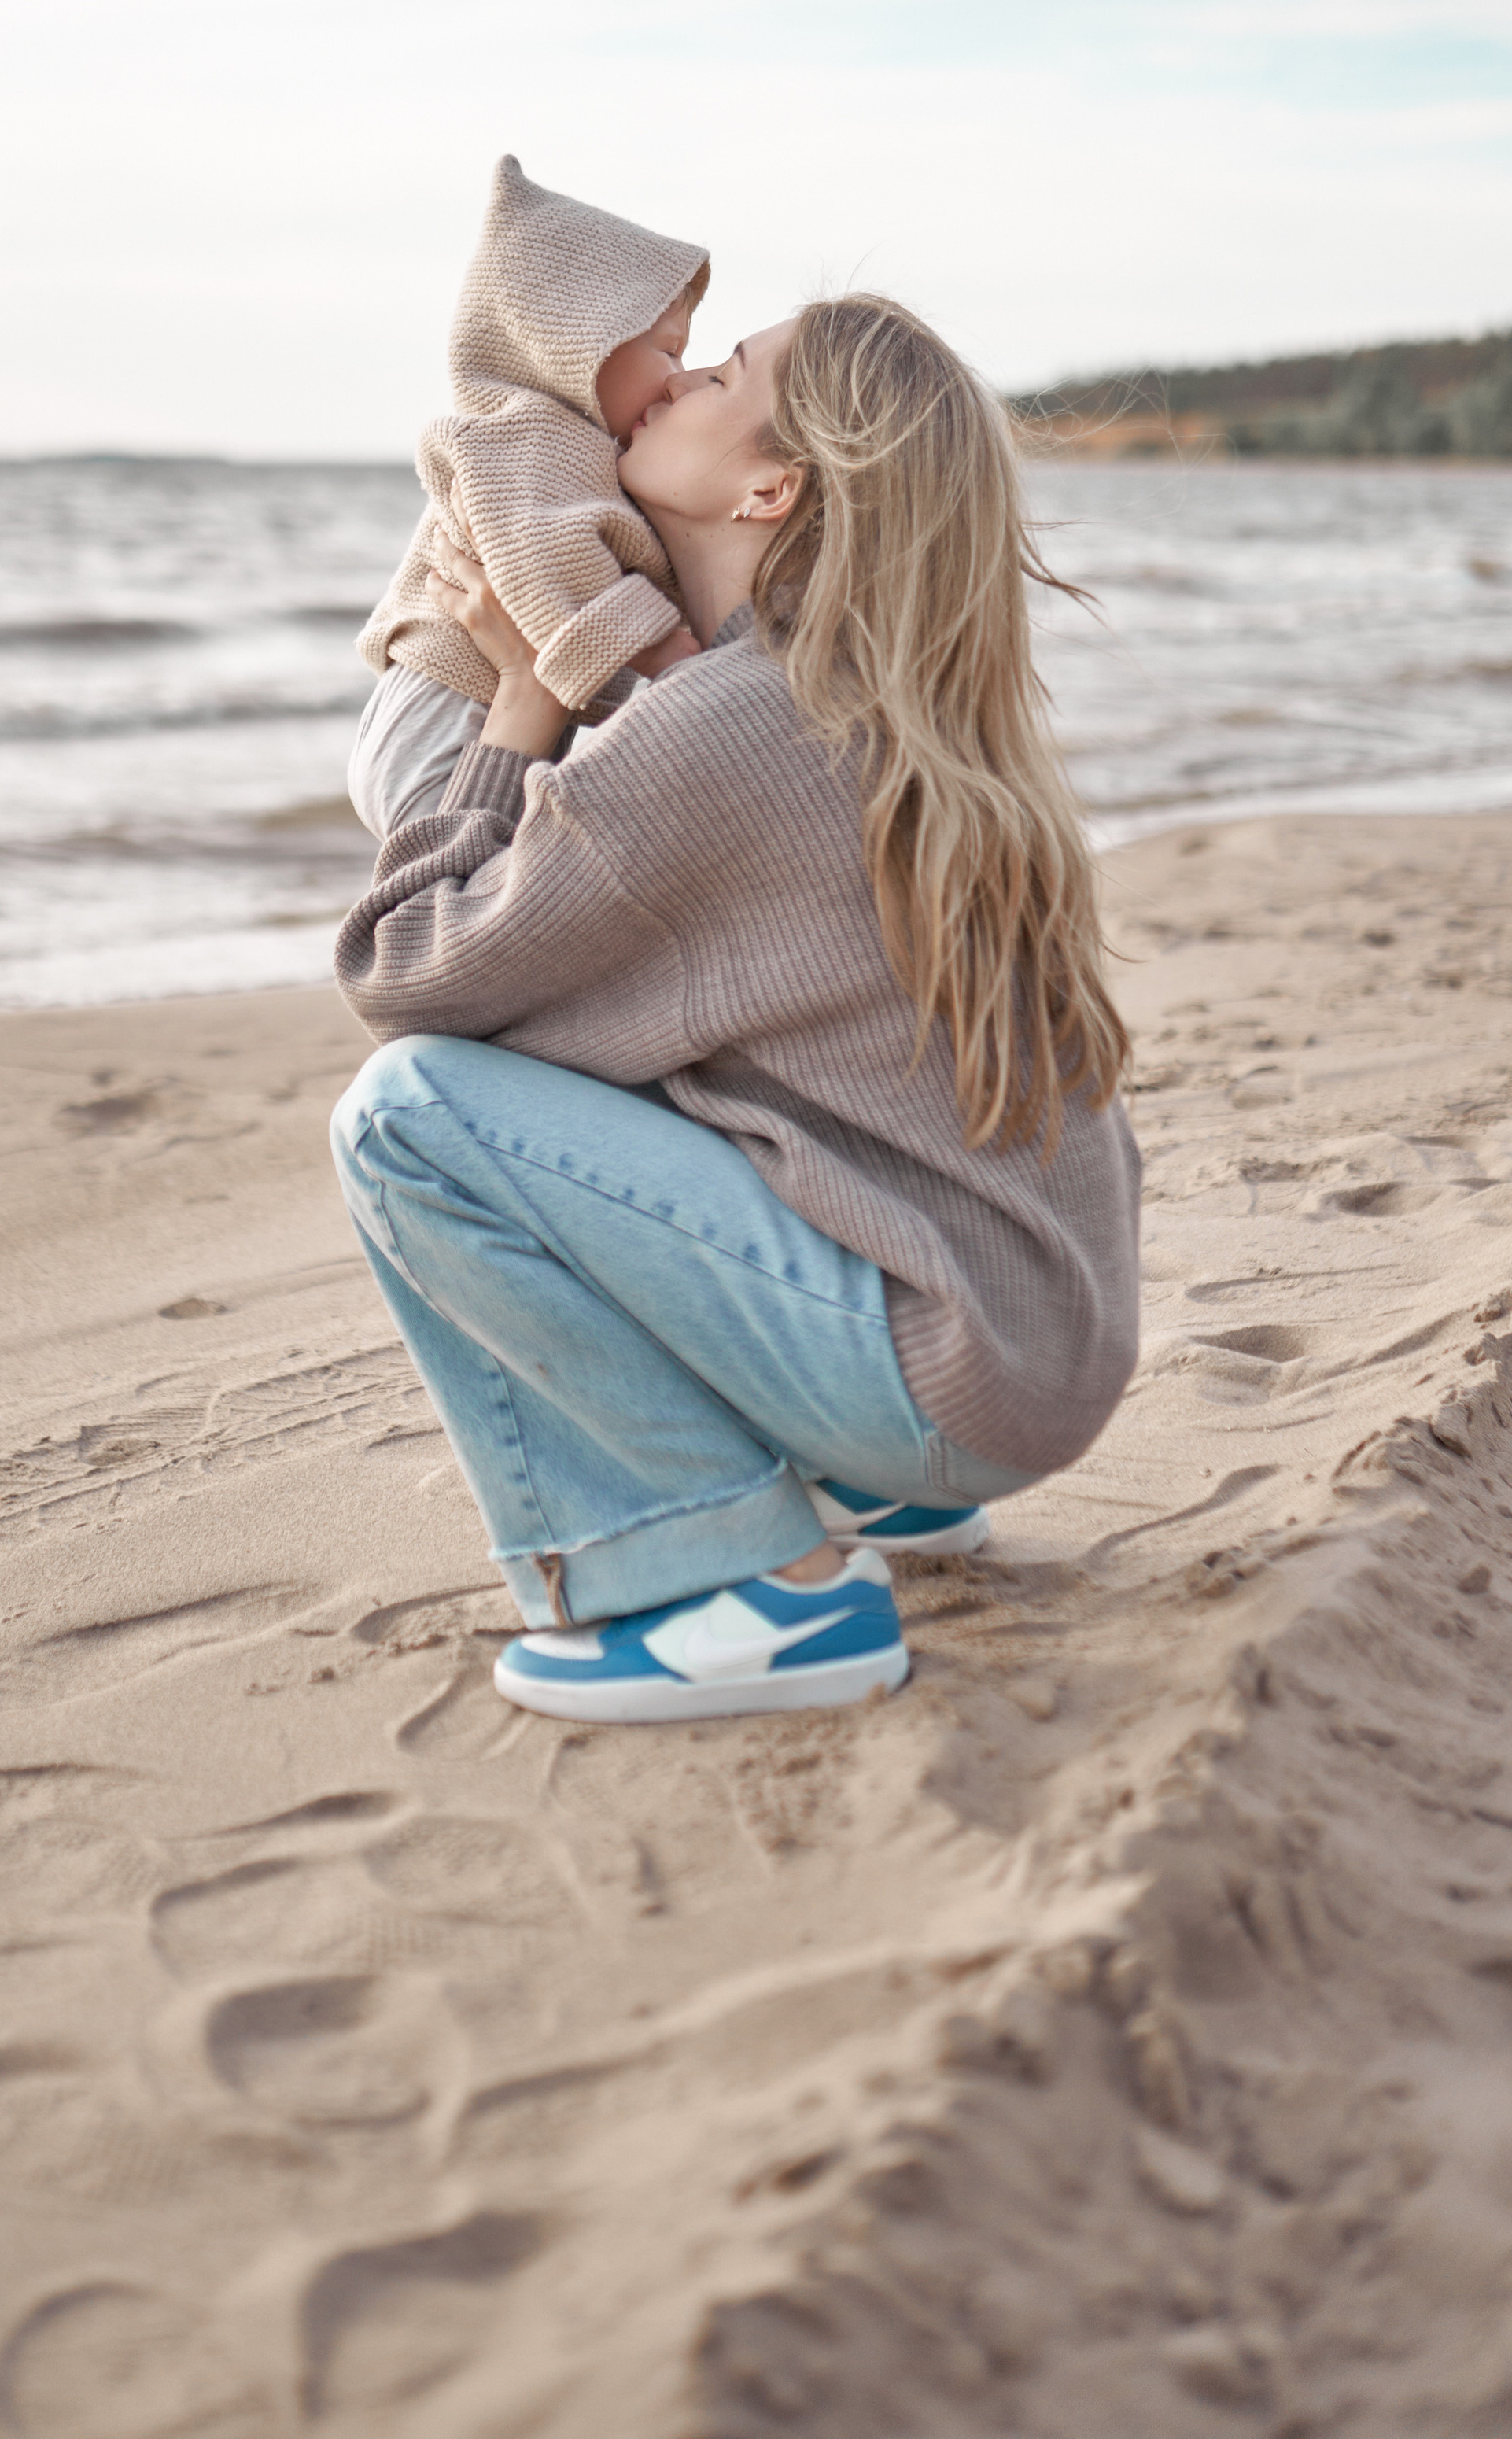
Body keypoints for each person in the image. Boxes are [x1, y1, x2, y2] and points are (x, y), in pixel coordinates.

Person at [332, 296, 1141, 1724]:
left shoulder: (725, 730)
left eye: (725, 370)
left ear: (774, 486)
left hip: (947, 1376)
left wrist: (517, 717)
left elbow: (403, 970)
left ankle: (730, 1587)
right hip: (1033, 1351)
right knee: (618, 1051)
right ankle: (879, 1499)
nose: (677, 378)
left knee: (410, 1119)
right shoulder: (868, 704)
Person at [348, 154, 706, 839]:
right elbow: (540, 560)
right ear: (574, 343)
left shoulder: (572, 447)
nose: (676, 381)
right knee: (460, 861)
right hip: (441, 717)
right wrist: (663, 653)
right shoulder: (529, 437)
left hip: (450, 714)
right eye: (668, 352)